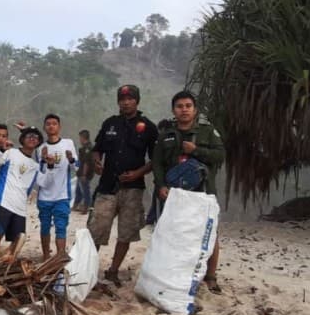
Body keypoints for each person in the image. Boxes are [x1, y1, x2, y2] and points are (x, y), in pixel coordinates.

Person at [152, 90, 225, 293]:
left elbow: (220, 156)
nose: (184, 110)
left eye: (188, 106)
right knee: (173, 234)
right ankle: (175, 274)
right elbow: (157, 164)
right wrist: (161, 186)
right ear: (173, 110)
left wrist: (196, 151)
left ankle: (211, 277)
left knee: (209, 234)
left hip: (203, 193)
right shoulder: (166, 134)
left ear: (195, 109)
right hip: (174, 194)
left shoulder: (207, 131)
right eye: (179, 106)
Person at [88, 84, 158, 287]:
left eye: (130, 99)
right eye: (122, 99)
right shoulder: (110, 123)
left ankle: (113, 271)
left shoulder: (148, 127)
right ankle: (88, 269)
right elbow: (97, 149)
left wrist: (138, 173)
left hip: (133, 189)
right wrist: (96, 162)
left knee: (126, 233)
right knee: (96, 230)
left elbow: (155, 160)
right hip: (107, 186)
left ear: (137, 101)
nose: (126, 102)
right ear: (118, 101)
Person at [0, 126, 43, 256]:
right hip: (3, 202)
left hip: (20, 207)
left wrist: (50, 165)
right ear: (22, 139)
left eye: (35, 137)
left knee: (18, 240)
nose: (32, 139)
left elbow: (41, 183)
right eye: (29, 136)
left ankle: (6, 264)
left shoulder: (35, 166)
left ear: (39, 142)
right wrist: (2, 150)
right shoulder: (11, 152)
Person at [36, 114, 78, 260]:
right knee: (45, 226)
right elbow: (39, 174)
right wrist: (43, 161)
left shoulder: (68, 143)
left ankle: (60, 256)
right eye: (48, 124)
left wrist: (71, 159)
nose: (51, 126)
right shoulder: (40, 148)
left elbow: (76, 167)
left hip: (62, 195)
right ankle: (46, 256)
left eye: (54, 123)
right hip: (44, 196)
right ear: (44, 127)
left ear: (59, 127)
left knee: (61, 226)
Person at [73, 130, 95, 212]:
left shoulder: (87, 148)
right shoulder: (84, 148)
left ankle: (86, 207)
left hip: (84, 173)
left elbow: (86, 162)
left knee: (85, 190)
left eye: (80, 138)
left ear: (83, 137)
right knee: (78, 190)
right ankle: (76, 205)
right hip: (81, 172)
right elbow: (80, 161)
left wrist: (84, 174)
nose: (80, 140)